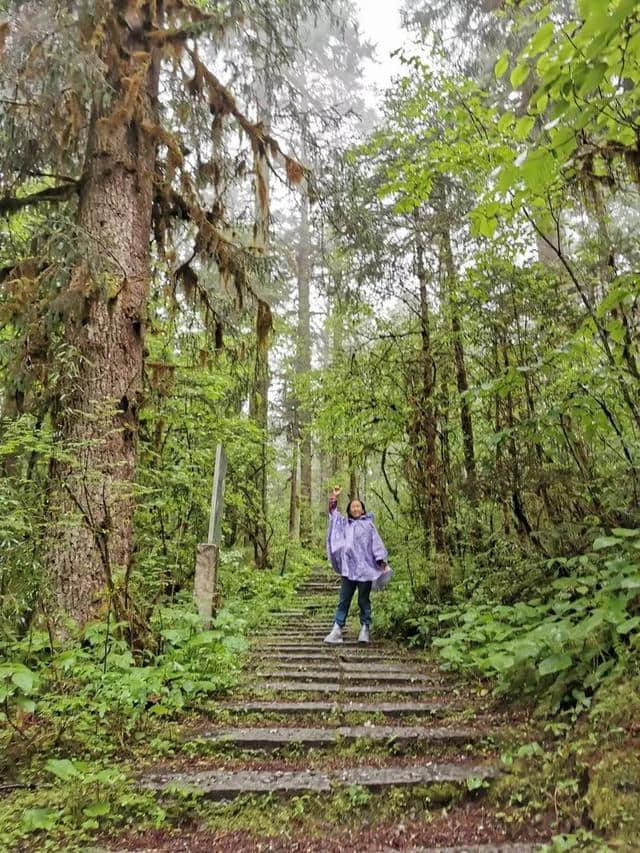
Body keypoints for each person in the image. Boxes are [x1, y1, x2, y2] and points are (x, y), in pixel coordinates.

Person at [324, 484, 389, 644]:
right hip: (348, 569)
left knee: (363, 600)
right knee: (344, 599)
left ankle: (365, 628)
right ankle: (337, 629)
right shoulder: (344, 524)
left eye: (358, 506)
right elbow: (333, 514)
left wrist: (380, 560)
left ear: (363, 509)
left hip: (365, 570)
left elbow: (376, 544)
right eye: (353, 506)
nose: (355, 508)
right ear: (349, 510)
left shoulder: (368, 525)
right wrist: (335, 498)